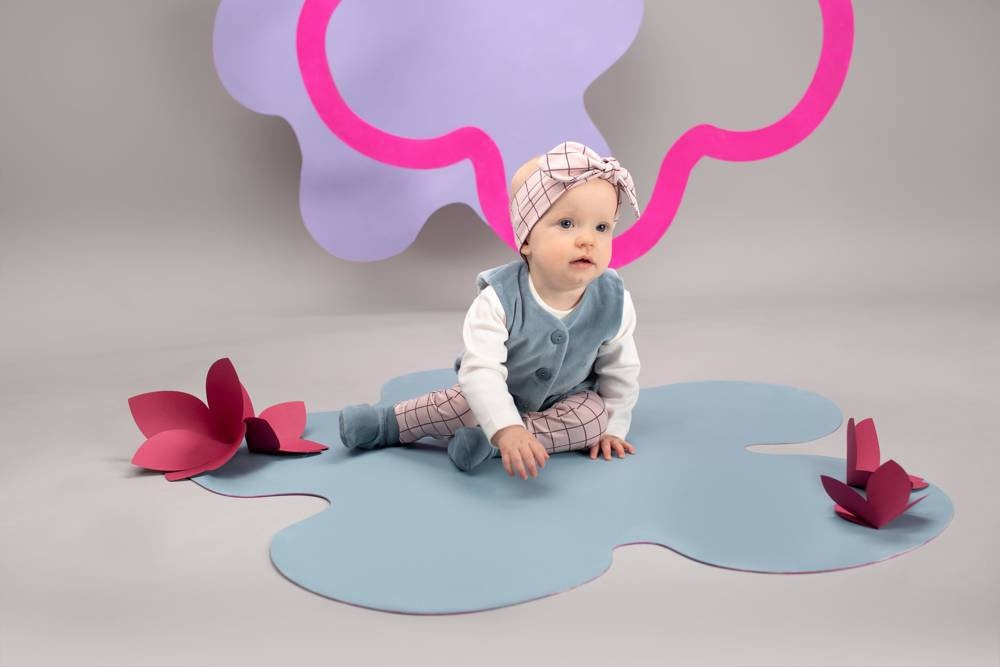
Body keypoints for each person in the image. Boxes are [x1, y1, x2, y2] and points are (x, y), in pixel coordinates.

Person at [339, 140, 641, 480]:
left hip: (566, 398)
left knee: (592, 419)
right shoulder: (499, 297)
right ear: (527, 239)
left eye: (602, 227)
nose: (588, 240)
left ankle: (489, 443)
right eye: (567, 224)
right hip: (500, 388)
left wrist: (614, 427)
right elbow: (481, 369)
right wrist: (504, 425)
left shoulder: (615, 299)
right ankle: (386, 424)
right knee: (458, 404)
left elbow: (621, 369)